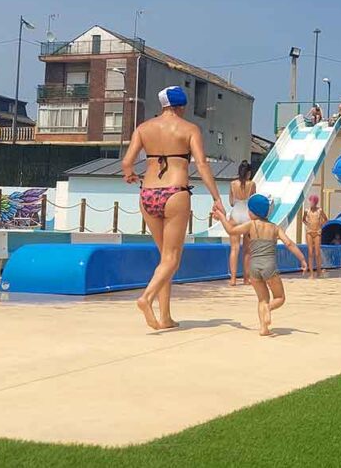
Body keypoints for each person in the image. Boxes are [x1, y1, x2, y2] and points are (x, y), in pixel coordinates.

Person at [122, 86, 225, 330]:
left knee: (163, 259)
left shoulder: (144, 128)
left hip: (147, 194)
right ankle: (146, 298)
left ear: (162, 105)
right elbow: (201, 165)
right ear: (182, 106)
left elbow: (127, 162)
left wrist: (130, 175)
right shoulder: (189, 129)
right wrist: (216, 197)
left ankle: (165, 317)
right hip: (175, 193)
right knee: (172, 258)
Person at [213, 194, 307, 336]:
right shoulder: (275, 228)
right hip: (269, 266)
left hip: (254, 268)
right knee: (280, 298)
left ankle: (264, 328)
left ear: (252, 212)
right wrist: (302, 259)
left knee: (262, 299)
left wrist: (221, 217)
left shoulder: (250, 225)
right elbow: (289, 243)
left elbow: (231, 231)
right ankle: (268, 309)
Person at [227, 160, 256, 286]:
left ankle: (233, 279)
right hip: (247, 216)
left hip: (235, 215)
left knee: (234, 249)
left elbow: (231, 202)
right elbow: (253, 202)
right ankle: (246, 279)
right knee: (247, 251)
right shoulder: (252, 184)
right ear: (248, 173)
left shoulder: (232, 184)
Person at [303, 194, 327, 279]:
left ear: (316, 203)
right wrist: (307, 224)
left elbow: (325, 219)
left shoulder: (319, 210)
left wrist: (321, 225)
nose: (311, 203)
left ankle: (319, 271)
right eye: (311, 202)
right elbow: (304, 219)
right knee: (310, 252)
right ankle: (311, 273)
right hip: (309, 232)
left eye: (313, 202)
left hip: (317, 232)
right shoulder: (307, 211)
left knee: (317, 253)